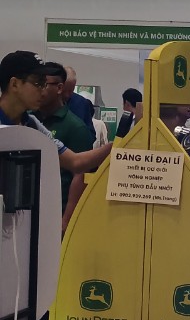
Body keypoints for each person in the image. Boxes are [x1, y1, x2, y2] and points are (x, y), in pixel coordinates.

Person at [0, 49, 112, 179]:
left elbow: (75, 162)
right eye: (38, 83)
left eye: (44, 84)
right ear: (15, 84)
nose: (42, 91)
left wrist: (116, 146)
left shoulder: (32, 125)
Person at [36, 62, 96, 209]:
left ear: (59, 88)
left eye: (44, 84)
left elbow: (80, 173)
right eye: (36, 84)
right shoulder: (29, 120)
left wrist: (67, 217)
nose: (38, 90)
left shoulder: (76, 127)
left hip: (57, 209)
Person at [62, 64, 96, 135]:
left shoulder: (82, 103)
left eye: (70, 91)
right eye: (64, 90)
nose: (67, 95)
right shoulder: (51, 100)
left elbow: (91, 133)